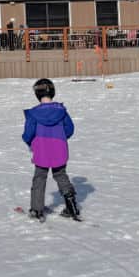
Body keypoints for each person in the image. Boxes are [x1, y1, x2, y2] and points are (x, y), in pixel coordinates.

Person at [21, 78, 79, 221]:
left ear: (37, 94)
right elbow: (70, 129)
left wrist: (31, 142)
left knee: (40, 177)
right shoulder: (61, 111)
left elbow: (28, 134)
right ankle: (72, 207)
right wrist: (59, 138)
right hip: (59, 148)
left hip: (41, 149)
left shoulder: (34, 114)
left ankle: (37, 209)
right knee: (60, 175)